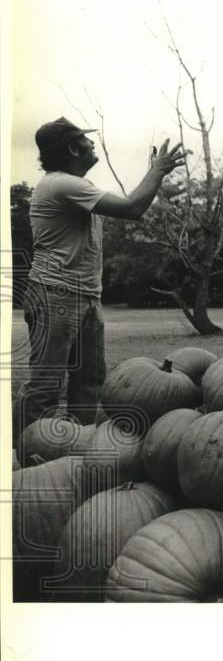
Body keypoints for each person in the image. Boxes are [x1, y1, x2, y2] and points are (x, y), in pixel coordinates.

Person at [17, 117, 186, 438]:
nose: (93, 144)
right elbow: (132, 207)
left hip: (84, 296)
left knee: (90, 382)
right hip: (55, 294)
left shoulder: (76, 187)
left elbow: (131, 205)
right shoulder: (60, 184)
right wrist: (158, 171)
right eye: (86, 139)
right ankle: (20, 460)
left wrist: (154, 174)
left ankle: (78, 448)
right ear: (72, 147)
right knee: (45, 386)